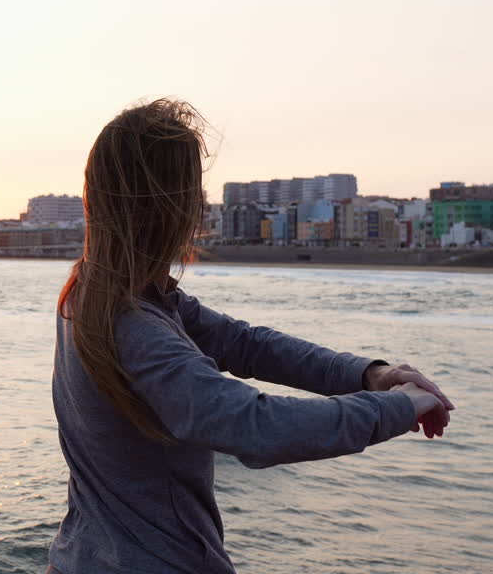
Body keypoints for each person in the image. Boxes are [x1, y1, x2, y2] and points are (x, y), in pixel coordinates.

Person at [47, 99, 454, 574]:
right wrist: (400, 407)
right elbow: (258, 429)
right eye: (194, 190)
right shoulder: (135, 328)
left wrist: (370, 374)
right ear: (175, 207)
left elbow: (247, 344)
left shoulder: (96, 293)